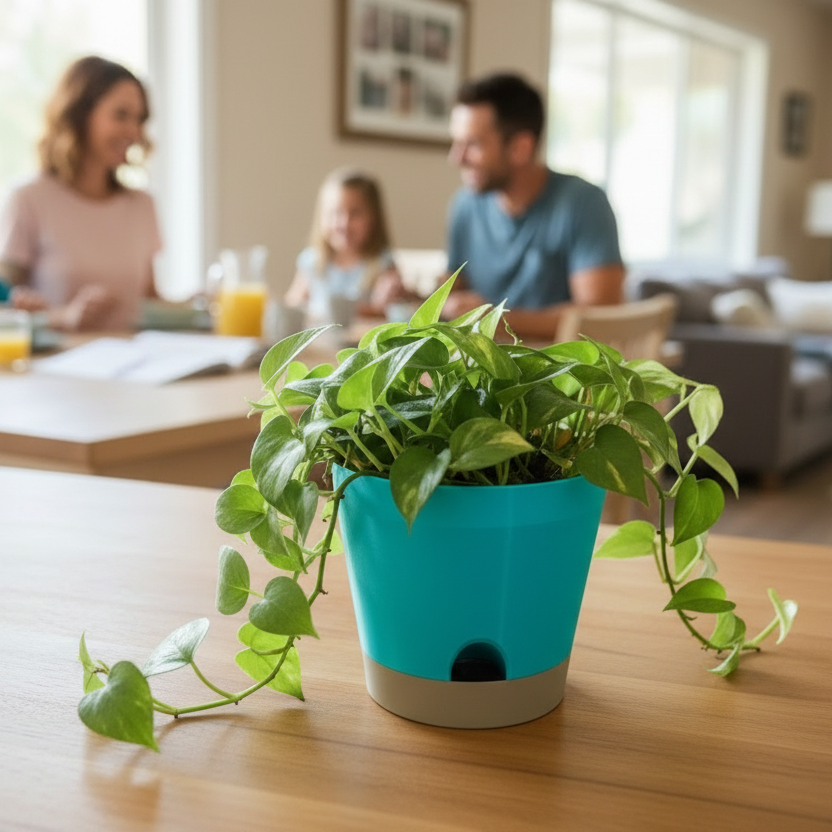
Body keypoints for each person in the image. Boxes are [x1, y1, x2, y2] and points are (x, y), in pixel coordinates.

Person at [444, 72, 624, 339]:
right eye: (455, 143)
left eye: (472, 144)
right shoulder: (465, 206)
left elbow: (600, 316)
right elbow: (455, 293)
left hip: (564, 375)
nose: (456, 158)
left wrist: (495, 319)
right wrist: (414, 295)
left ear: (521, 147)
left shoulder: (584, 203)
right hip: (481, 373)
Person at [0, 55, 162, 331]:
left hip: (133, 365)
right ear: (79, 114)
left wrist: (199, 305)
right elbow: (5, 307)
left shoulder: (141, 205)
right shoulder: (29, 199)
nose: (134, 132)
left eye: (139, 119)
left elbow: (149, 301)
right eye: (121, 115)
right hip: (55, 367)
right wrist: (60, 317)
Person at [285, 168, 410, 321]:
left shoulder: (382, 264)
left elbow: (386, 314)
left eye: (355, 213)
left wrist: (385, 305)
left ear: (374, 218)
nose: (343, 223)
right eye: (335, 213)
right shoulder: (312, 262)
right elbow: (293, 305)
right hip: (319, 344)